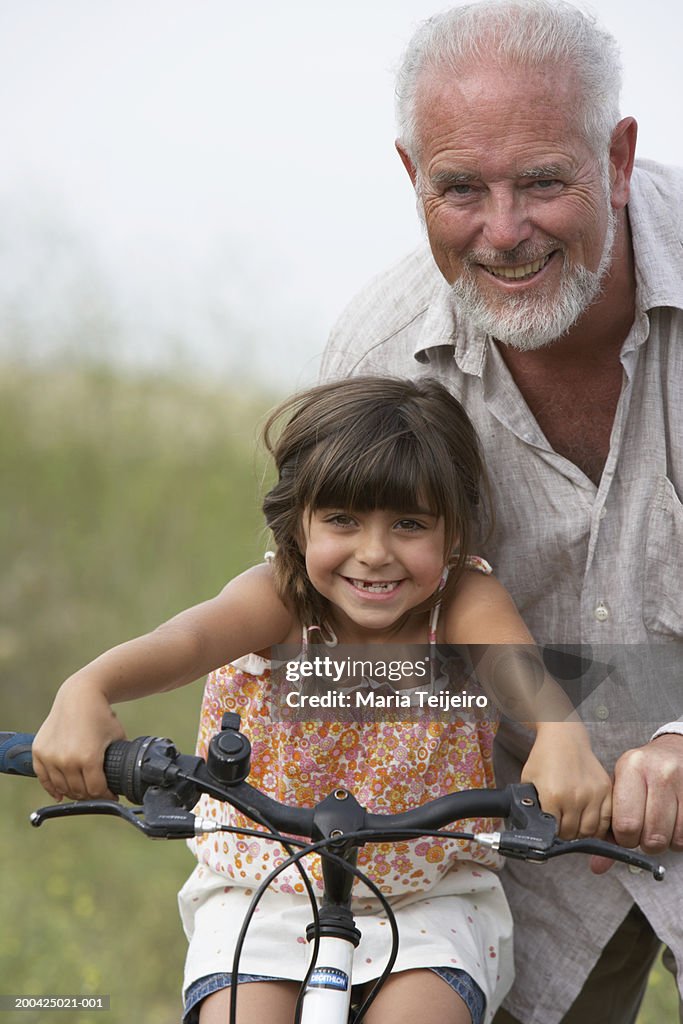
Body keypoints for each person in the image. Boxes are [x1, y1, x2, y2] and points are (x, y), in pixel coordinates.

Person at [32, 376, 611, 1024]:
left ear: (452, 534)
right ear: (298, 524)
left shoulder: (460, 604)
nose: (374, 553)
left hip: (429, 899)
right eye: (341, 519)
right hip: (260, 886)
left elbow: (519, 672)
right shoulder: (277, 601)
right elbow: (186, 641)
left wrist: (560, 737)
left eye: (409, 524)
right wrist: (87, 688)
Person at [320, 3, 683, 1023]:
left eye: (541, 181)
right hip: (513, 841)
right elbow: (336, 636)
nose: (504, 229)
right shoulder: (375, 361)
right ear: (410, 180)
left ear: (614, 158)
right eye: (459, 189)